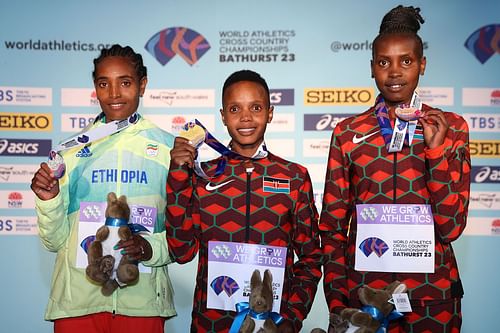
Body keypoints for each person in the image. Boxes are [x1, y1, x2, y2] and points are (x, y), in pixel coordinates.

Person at [320, 5, 470, 333]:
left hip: (434, 300)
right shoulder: (348, 133)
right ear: (372, 68)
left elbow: (452, 227)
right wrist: (338, 301)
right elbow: (331, 227)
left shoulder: (452, 127)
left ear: (422, 65)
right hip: (366, 302)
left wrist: (435, 151)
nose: (395, 72)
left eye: (406, 61)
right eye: (384, 62)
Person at [30, 44, 176, 333]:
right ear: (95, 88)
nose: (114, 94)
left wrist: (148, 248)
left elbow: (181, 238)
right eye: (103, 83)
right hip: (78, 305)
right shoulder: (71, 151)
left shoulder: (169, 149)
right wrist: (49, 201)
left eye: (125, 82)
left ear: (142, 85)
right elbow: (54, 241)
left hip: (142, 303)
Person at [165, 69, 322, 333]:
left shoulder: (294, 177)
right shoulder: (202, 176)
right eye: (235, 109)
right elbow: (181, 251)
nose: (246, 117)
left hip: (272, 326)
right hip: (211, 325)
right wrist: (179, 177)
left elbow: (310, 258)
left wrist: (291, 319)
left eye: (256, 107)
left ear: (270, 113)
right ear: (223, 116)